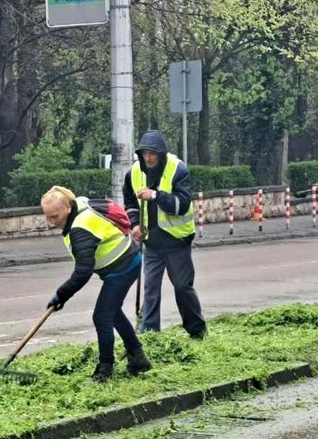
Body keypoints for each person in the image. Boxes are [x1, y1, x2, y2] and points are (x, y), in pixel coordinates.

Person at [41, 186, 152, 382]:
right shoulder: (80, 204)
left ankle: (105, 369)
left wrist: (62, 294)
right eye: (48, 216)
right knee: (113, 313)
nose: (51, 222)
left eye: (55, 216)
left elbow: (83, 272)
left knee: (101, 317)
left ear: (68, 208)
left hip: (122, 267)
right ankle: (138, 357)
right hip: (125, 261)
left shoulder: (80, 229)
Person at [123, 130, 207, 339]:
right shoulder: (134, 172)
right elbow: (130, 202)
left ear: (161, 153)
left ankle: (197, 330)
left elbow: (181, 204)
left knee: (182, 287)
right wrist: (134, 226)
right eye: (145, 153)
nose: (148, 157)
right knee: (151, 288)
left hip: (177, 241)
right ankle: (150, 334)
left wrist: (154, 195)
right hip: (152, 242)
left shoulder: (178, 170)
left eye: (152, 153)